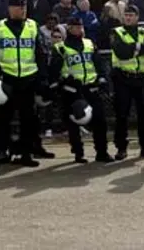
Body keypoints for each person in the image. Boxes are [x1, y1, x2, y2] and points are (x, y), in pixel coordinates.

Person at [0, 0, 48, 169]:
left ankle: (26, 153)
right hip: (6, 80)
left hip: (28, 79)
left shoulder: (32, 26)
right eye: (19, 7)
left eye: (24, 7)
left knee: (28, 120)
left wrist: (42, 78)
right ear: (10, 9)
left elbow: (40, 54)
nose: (22, 10)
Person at [48, 17, 113, 163]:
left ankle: (102, 152)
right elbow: (54, 71)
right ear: (69, 28)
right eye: (76, 27)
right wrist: (60, 84)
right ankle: (78, 152)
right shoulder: (60, 48)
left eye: (81, 26)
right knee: (74, 122)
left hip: (91, 87)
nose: (79, 29)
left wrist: (102, 79)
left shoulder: (89, 43)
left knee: (100, 121)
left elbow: (98, 63)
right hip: (72, 90)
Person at [110, 5, 144, 160]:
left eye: (131, 15)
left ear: (138, 17)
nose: (128, 18)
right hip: (123, 79)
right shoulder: (117, 32)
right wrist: (140, 48)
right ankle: (121, 148)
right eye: (126, 15)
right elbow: (121, 52)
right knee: (122, 115)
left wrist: (133, 48)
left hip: (143, 79)